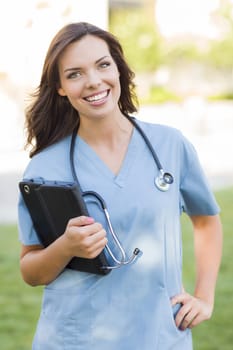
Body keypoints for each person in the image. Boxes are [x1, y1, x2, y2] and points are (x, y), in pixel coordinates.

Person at [18, 22, 222, 350]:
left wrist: (205, 297)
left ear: (118, 69)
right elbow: (31, 270)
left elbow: (206, 220)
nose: (94, 82)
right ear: (60, 87)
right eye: (75, 74)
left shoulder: (169, 145)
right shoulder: (45, 167)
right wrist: (66, 247)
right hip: (74, 340)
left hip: (159, 337)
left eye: (103, 65)